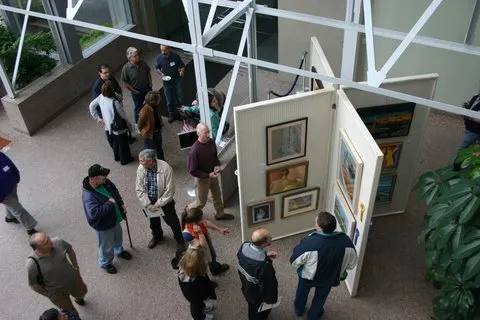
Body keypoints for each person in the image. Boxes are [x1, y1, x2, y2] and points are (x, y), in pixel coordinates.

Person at [290, 211, 358, 319]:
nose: (314, 223)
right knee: (320, 298)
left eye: (315, 222)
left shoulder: (310, 242)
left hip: (308, 277)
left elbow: (294, 261)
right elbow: (352, 264)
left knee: (301, 293)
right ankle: (313, 316)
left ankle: (299, 310)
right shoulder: (346, 241)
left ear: (320, 228)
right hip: (330, 277)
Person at [135, 149, 186, 262]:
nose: (139, 163)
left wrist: (158, 204)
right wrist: (148, 204)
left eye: (142, 161)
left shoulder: (166, 168)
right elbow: (139, 188)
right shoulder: (141, 168)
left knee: (173, 221)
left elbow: (169, 191)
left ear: (150, 161)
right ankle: (157, 236)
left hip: (164, 201)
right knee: (153, 221)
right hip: (149, 201)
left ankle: (180, 241)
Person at [81, 164, 132, 274]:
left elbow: (115, 191)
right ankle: (105, 262)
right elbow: (94, 214)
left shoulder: (106, 182)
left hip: (114, 218)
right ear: (94, 178)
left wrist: (121, 203)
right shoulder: (88, 196)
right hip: (104, 225)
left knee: (118, 236)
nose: (106, 177)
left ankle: (119, 251)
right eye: (103, 175)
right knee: (106, 245)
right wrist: (109, 203)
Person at [27, 233, 87, 318]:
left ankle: (79, 299)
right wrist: (48, 294)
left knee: (82, 292)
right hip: (57, 292)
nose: (50, 241)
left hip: (73, 279)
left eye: (48, 238)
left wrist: (76, 267)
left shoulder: (58, 242)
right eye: (46, 242)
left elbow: (70, 250)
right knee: (69, 311)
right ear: (37, 248)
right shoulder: (32, 264)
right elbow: (33, 284)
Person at [187, 123, 234, 220]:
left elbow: (215, 156)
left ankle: (220, 214)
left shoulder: (211, 142)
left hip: (213, 175)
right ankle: (188, 211)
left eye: (208, 132)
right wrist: (208, 175)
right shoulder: (194, 151)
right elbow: (192, 171)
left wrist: (217, 165)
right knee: (201, 202)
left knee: (217, 195)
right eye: (205, 133)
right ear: (198, 134)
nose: (208, 135)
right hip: (202, 179)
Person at [89, 81, 134, 165]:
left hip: (108, 125)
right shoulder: (115, 103)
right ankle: (125, 160)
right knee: (123, 144)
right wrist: (129, 126)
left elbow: (91, 106)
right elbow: (123, 116)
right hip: (118, 126)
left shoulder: (101, 97)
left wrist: (97, 118)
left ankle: (117, 157)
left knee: (115, 143)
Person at [237, 228, 278, 320]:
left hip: (246, 287)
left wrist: (265, 256)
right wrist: (271, 300)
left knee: (251, 306)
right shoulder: (265, 267)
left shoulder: (244, 246)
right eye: (270, 238)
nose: (271, 237)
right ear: (264, 243)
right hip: (257, 294)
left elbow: (249, 262)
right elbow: (269, 287)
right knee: (259, 313)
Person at [92, 63, 135, 145]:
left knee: (122, 122)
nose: (108, 74)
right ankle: (115, 144)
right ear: (99, 73)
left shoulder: (111, 78)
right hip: (108, 111)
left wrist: (120, 96)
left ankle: (127, 138)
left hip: (117, 105)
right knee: (111, 127)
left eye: (108, 72)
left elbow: (118, 88)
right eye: (105, 73)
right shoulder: (97, 87)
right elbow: (96, 104)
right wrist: (100, 117)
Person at [181, 207, 230, 276]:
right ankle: (215, 270)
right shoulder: (187, 234)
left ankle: (214, 266)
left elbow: (206, 223)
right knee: (206, 263)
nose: (202, 220)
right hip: (200, 252)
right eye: (201, 219)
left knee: (212, 256)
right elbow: (202, 245)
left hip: (207, 246)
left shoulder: (196, 222)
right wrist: (200, 233)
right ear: (194, 222)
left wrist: (219, 229)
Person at [0, 152, 37, 235]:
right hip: (3, 194)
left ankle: (9, 217)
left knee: (14, 203)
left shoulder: (0, 155)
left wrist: (16, 178)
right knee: (19, 210)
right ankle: (30, 229)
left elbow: (11, 165)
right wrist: (1, 199)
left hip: (12, 185)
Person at [178, 245, 217, 320]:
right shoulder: (192, 282)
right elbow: (196, 292)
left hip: (196, 291)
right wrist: (207, 294)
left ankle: (202, 307)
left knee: (199, 303)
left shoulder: (185, 262)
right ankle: (199, 318)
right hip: (194, 296)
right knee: (196, 306)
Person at [121, 47, 152, 125]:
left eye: (137, 55)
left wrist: (150, 83)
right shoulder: (126, 68)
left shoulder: (143, 63)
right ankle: (138, 124)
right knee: (138, 108)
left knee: (150, 104)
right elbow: (125, 83)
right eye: (135, 56)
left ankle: (151, 119)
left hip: (147, 88)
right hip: (137, 91)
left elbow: (148, 72)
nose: (138, 57)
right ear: (129, 58)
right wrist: (134, 91)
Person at [155, 44, 185, 123]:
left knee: (179, 98)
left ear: (169, 49)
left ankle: (180, 113)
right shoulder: (159, 58)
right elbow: (157, 68)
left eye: (164, 50)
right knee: (169, 100)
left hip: (176, 80)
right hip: (166, 82)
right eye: (161, 50)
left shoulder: (176, 56)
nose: (163, 52)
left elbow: (182, 66)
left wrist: (182, 71)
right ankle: (171, 114)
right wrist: (161, 74)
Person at [137, 91, 165, 161]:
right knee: (150, 152)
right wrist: (143, 131)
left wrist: (160, 125)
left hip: (157, 131)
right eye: (159, 99)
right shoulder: (145, 111)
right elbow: (140, 124)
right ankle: (152, 164)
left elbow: (158, 117)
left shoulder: (156, 106)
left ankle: (162, 162)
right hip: (149, 134)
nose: (160, 99)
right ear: (153, 101)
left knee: (159, 148)